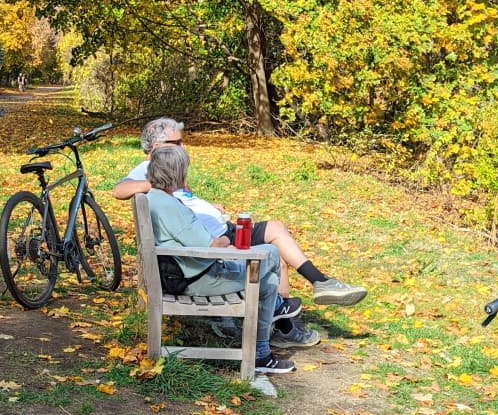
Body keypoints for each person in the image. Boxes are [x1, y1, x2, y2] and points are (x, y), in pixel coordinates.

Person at [112, 116, 366, 349]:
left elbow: (182, 201)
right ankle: (285, 324)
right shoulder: (149, 169)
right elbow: (119, 190)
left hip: (220, 230)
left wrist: (208, 206)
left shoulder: (167, 166)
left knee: (277, 230)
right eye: (175, 142)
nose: (182, 146)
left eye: (181, 141)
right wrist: (156, 183)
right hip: (211, 246)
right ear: (154, 146)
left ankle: (316, 287)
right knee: (274, 256)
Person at [145, 145, 293, 375]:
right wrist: (224, 240)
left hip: (183, 273)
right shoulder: (170, 206)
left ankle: (263, 349)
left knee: (269, 283)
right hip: (196, 279)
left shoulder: (153, 198)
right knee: (271, 252)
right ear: (178, 173)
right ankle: (274, 319)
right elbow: (210, 247)